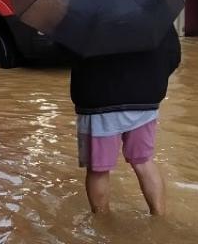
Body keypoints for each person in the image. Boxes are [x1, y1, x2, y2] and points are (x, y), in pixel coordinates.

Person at [71, 26, 181, 215]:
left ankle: (103, 229)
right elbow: (173, 54)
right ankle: (160, 220)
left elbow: (64, 49)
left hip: (98, 101)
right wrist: (151, 81)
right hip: (145, 100)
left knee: (98, 169)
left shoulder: (84, 7)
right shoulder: (152, 4)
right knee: (144, 162)